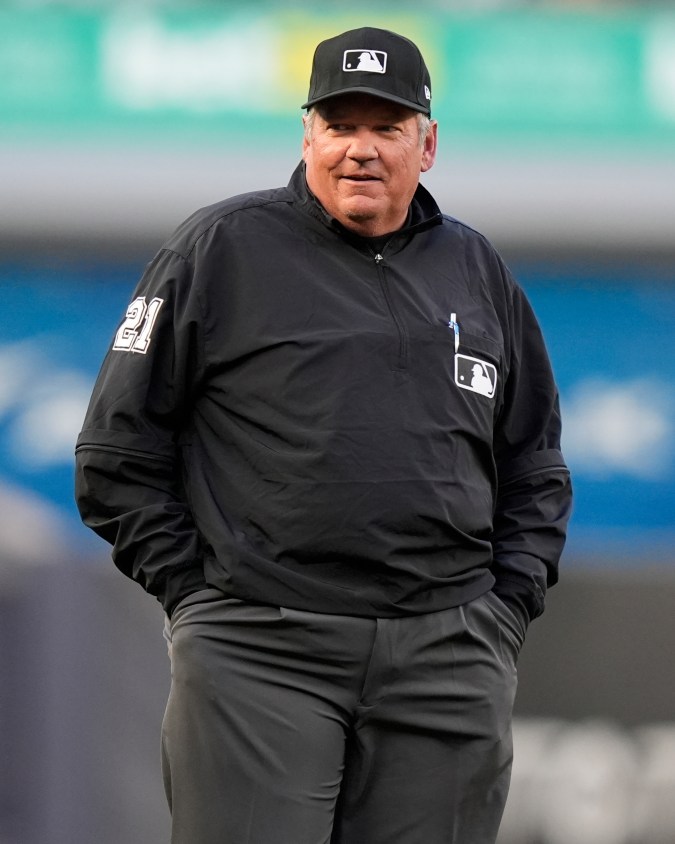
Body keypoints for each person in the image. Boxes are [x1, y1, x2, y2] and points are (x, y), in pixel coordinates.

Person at [75, 26, 572, 844]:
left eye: (387, 127)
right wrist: (199, 599)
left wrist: (503, 608)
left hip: (446, 650)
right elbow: (116, 452)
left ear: (428, 143)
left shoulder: (475, 269)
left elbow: (533, 460)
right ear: (307, 134)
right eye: (340, 126)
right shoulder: (219, 247)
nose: (360, 150)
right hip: (261, 648)